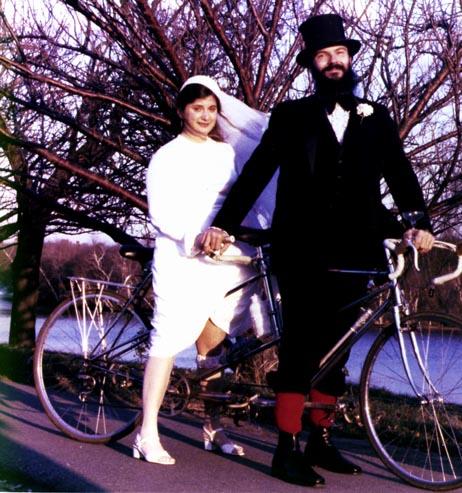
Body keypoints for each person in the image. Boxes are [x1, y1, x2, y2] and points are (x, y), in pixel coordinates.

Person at [200, 14, 435, 487]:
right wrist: (224, 223)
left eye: (340, 55)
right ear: (311, 63)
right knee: (303, 346)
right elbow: (259, 171)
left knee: (340, 347)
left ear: (349, 60)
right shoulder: (292, 116)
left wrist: (417, 222)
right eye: (323, 56)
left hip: (359, 247)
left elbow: (400, 173)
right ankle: (285, 448)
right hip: (302, 248)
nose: (333, 63)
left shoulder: (376, 116)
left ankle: (320, 441)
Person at [133, 75, 270, 465]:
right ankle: (148, 433)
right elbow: (161, 212)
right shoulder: (167, 156)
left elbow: (244, 199)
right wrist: (196, 238)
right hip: (184, 254)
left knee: (213, 346)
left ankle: (213, 427)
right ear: (182, 112)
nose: (206, 115)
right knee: (168, 339)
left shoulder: (227, 154)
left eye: (212, 109)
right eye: (197, 108)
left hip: (226, 256)